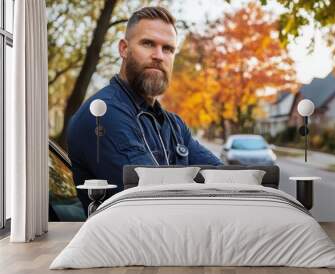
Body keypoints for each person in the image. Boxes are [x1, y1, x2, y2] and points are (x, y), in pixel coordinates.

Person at [67, 6, 223, 216]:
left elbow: (222, 178)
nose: (159, 55)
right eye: (148, 44)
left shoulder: (174, 125)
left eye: (168, 49)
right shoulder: (103, 114)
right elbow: (154, 199)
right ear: (123, 49)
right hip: (124, 246)